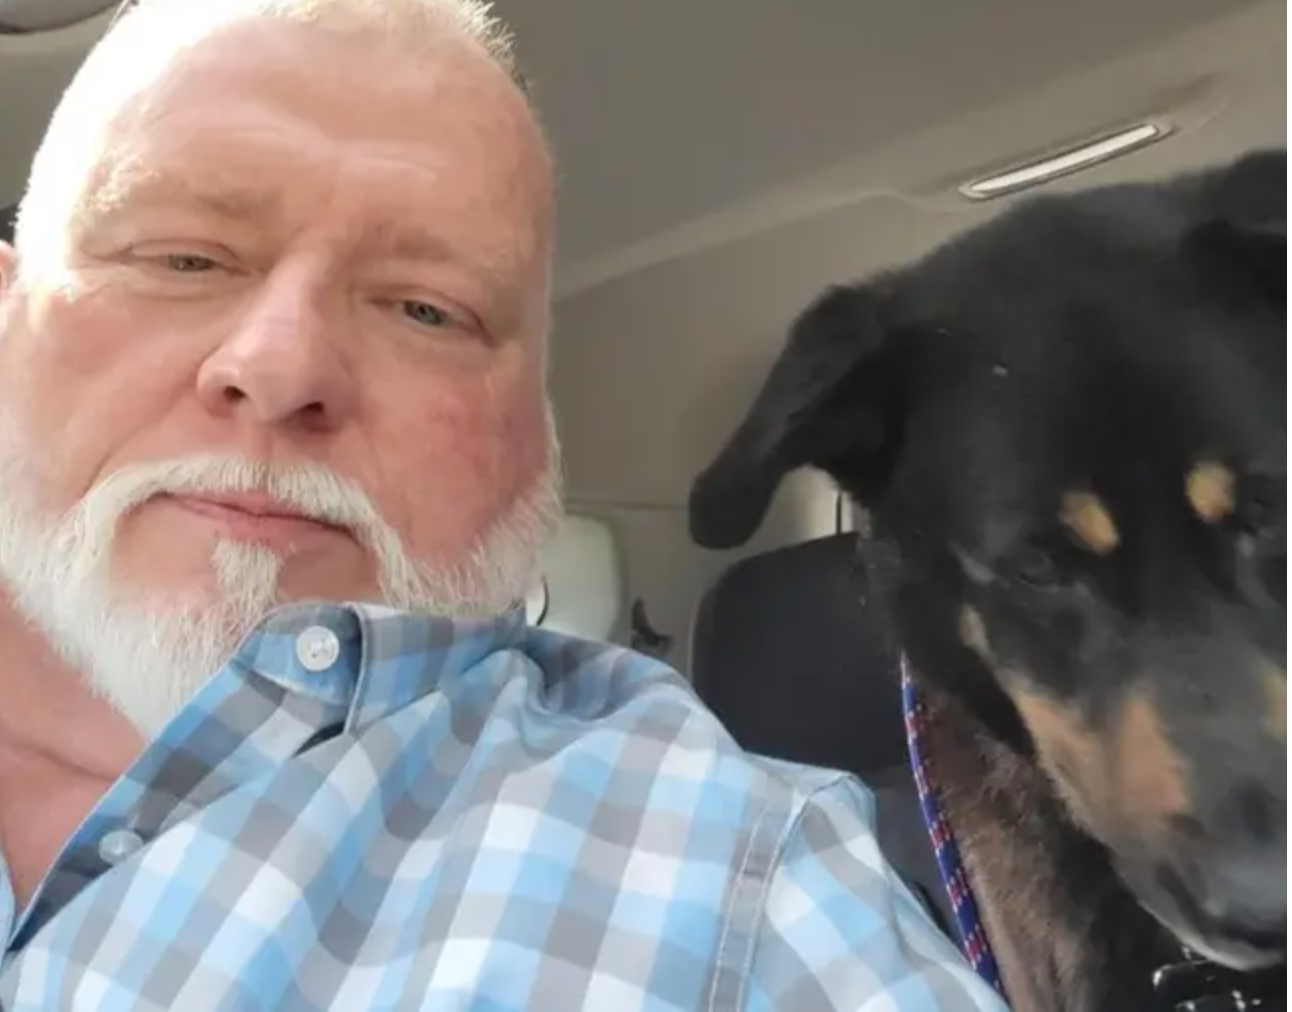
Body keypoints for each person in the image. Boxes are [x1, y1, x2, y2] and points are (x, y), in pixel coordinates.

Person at [0, 2, 1007, 1009]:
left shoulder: (736, 897)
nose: (280, 367)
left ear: (532, 448)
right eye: (182, 258)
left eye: (426, 310)